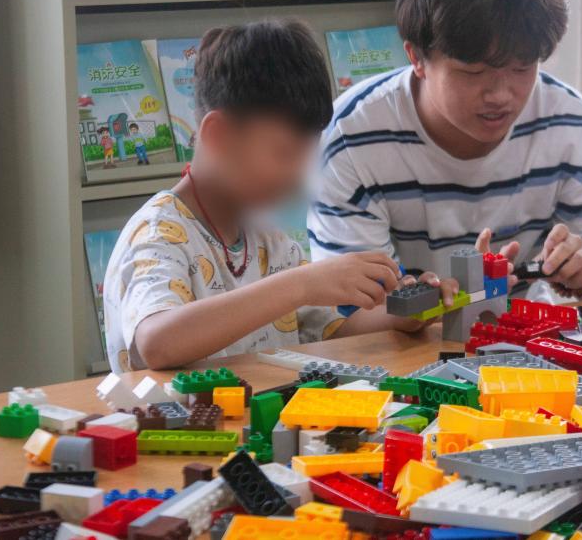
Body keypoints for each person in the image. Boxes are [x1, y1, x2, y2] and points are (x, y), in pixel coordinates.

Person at [103, 20, 443, 372]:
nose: (299, 173)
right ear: (218, 136)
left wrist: (403, 315)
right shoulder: (157, 235)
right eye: (284, 153)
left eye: (307, 155)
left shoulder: (266, 238)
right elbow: (157, 343)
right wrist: (302, 284)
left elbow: (332, 330)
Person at [308, 0, 582, 299]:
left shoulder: (570, 125)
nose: (500, 94)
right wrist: (453, 300)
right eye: (473, 72)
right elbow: (352, 304)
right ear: (416, 58)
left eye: (521, 68)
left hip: (522, 330)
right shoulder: (353, 137)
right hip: (398, 333)